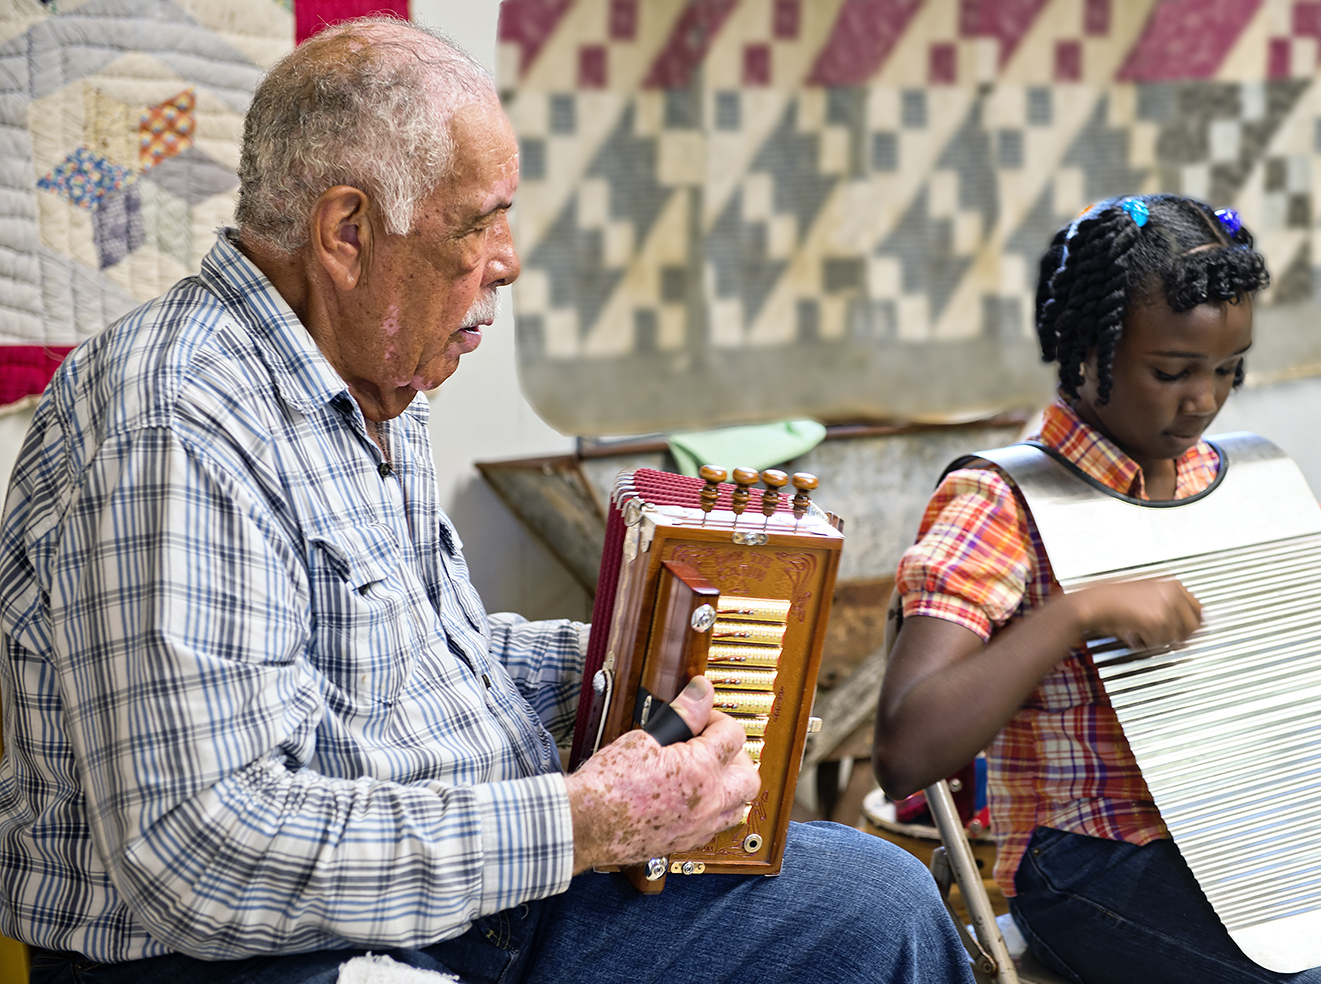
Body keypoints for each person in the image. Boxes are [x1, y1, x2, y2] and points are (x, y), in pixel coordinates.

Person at [0, 19, 973, 984]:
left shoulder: (375, 383)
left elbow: (420, 665)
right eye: (476, 223)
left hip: (461, 902)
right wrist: (583, 821)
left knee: (877, 906)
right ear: (348, 232)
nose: (506, 258)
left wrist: (645, 653)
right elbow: (201, 851)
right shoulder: (173, 425)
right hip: (255, 958)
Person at [873, 193, 1321, 984]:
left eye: (1228, 370)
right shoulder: (1006, 504)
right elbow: (905, 752)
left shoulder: (1244, 482)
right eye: (1172, 372)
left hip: (1271, 836)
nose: (1203, 401)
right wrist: (1077, 611)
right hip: (1097, 868)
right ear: (1089, 348)